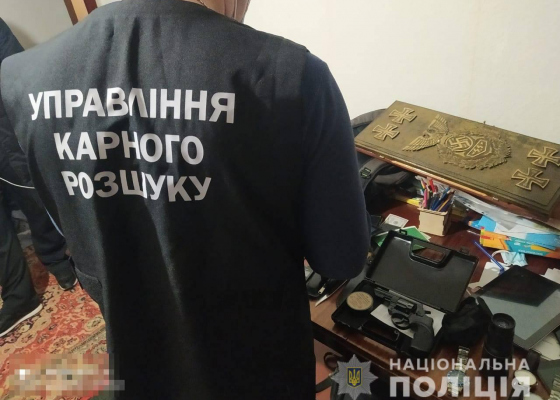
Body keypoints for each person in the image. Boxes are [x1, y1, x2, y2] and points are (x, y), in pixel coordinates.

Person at [0, 0, 369, 398]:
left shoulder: (21, 75)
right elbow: (341, 258)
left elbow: (67, 220)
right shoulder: (294, 73)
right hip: (259, 367)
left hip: (137, 365)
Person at [0, 18, 77, 338]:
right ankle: (19, 295)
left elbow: (14, 72)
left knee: (30, 189)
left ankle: (58, 259)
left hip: (4, 125)